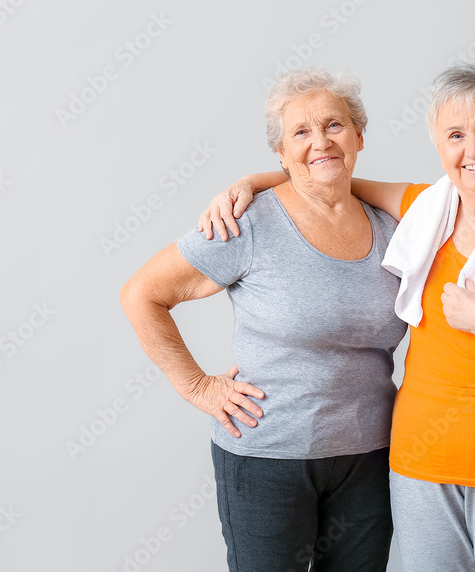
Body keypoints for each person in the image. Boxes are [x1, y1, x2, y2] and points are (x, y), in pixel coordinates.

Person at [201, 64, 475, 571]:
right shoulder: (422, 211)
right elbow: (329, 173)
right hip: (419, 468)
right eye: (456, 135)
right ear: (438, 143)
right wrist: (252, 180)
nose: (472, 151)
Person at [119, 67, 407, 572]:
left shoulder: (394, 228)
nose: (320, 141)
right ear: (281, 153)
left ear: (359, 134)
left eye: (334, 125)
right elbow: (141, 293)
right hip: (268, 460)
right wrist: (196, 386)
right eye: (301, 132)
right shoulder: (247, 221)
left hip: (371, 458)